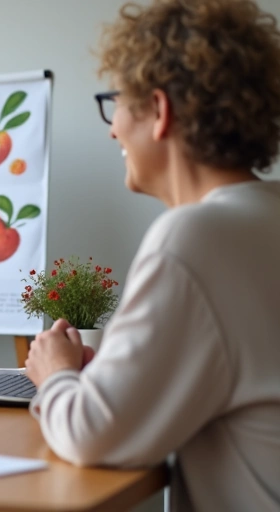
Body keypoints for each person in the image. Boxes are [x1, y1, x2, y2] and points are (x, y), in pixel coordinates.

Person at [24, 0, 280, 510]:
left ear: (159, 112)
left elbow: (92, 434)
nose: (112, 128)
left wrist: (55, 373)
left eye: (115, 102)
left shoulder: (193, 238)